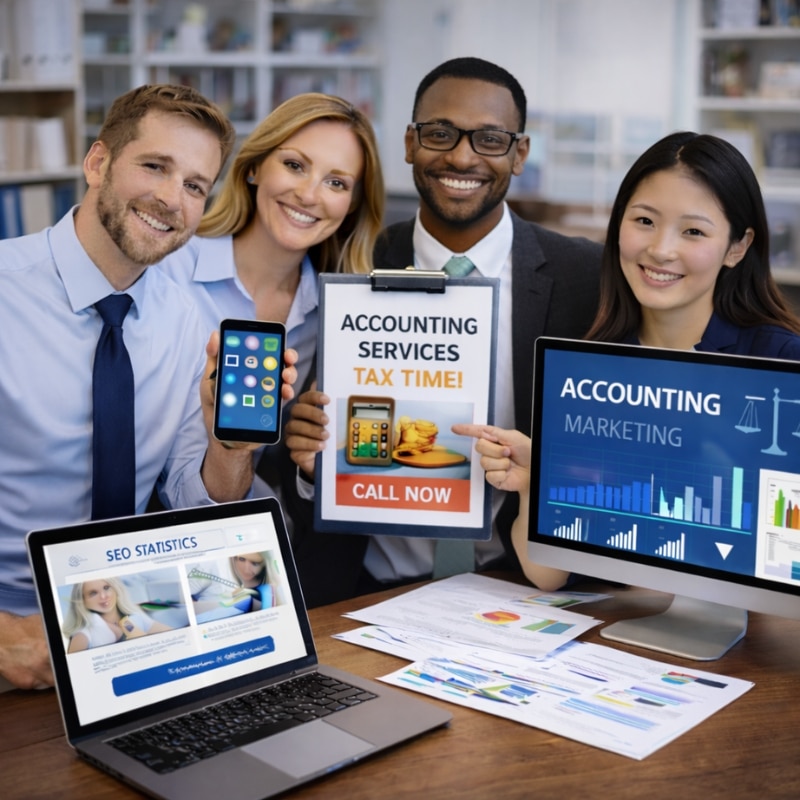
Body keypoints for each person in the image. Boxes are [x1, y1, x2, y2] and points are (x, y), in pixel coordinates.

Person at [0, 84, 297, 690]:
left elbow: (191, 500)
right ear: (98, 163)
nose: (170, 199)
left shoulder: (185, 321)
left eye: (194, 185)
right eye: (155, 167)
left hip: (127, 640)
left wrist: (228, 447)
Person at [284, 57, 603, 603]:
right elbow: (290, 444)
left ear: (519, 153)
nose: (461, 155)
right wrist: (310, 461)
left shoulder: (587, 278)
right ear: (409, 143)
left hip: (521, 589)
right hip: (361, 590)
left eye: (490, 139)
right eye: (439, 133)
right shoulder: (345, 259)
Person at [455, 130, 800, 590]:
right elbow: (549, 575)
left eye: (693, 231)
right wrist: (536, 482)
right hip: (623, 634)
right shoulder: (589, 366)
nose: (660, 249)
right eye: (644, 221)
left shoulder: (781, 364)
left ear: (737, 247)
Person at [158, 92, 384, 604]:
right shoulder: (170, 269)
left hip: (258, 566)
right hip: (156, 546)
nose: (309, 193)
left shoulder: (339, 315)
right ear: (255, 167)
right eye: (294, 165)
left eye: (336, 182)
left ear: (351, 205)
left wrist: (313, 451)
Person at [62, 578, 172, 653]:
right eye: (93, 593)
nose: (103, 596)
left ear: (116, 589)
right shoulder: (83, 635)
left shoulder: (136, 617)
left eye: (106, 588)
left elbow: (172, 636)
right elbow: (74, 673)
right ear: (83, 601)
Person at [187, 551, 286, 619]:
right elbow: (181, 600)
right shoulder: (211, 567)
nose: (246, 569)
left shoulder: (272, 588)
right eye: (241, 559)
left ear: (265, 565)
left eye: (255, 563)